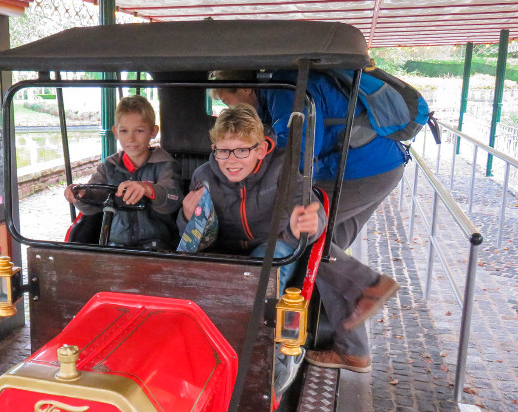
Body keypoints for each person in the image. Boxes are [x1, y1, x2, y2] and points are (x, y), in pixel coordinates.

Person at [210, 70, 402, 373]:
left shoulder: (286, 90)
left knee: (302, 233)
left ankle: (369, 284)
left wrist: (269, 182)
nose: (228, 108)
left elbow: (301, 147)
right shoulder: (274, 97)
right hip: (374, 165)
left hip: (359, 170)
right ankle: (353, 350)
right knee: (324, 249)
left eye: (227, 100)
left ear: (245, 89)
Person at [177, 104, 324, 295]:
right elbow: (192, 239)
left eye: (242, 150)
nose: (231, 160)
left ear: (261, 150)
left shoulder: (281, 169)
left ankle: (260, 312)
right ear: (214, 150)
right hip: (224, 249)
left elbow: (312, 210)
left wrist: (307, 224)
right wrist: (187, 218)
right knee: (188, 278)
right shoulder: (203, 177)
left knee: (263, 271)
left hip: (274, 242)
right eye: (223, 151)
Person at [64, 95, 182, 250]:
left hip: (157, 246)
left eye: (139, 131)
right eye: (124, 131)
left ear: (153, 132)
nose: (131, 139)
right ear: (116, 132)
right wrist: (81, 195)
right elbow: (91, 205)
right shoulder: (109, 167)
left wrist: (148, 189)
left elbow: (173, 200)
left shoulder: (165, 165)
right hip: (116, 245)